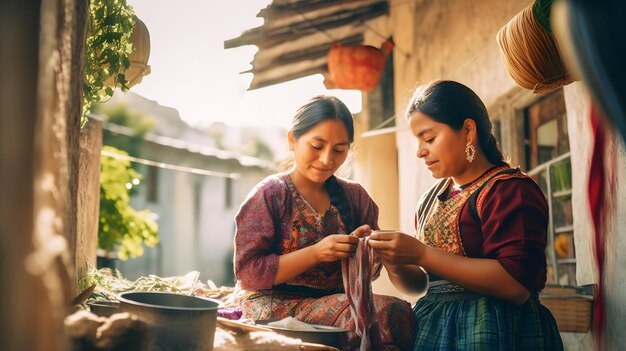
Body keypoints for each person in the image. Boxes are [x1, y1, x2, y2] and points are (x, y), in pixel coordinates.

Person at [367, 80, 564, 350]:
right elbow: (422, 287)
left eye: (430, 138)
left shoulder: (509, 190)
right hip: (434, 331)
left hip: (498, 330)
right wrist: (394, 259)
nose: (420, 151)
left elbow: (516, 285)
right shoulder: (431, 200)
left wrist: (422, 254)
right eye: (418, 141)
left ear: (468, 130)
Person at [233, 95, 416, 350]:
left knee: (396, 311)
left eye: (339, 150)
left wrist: (370, 248)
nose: (327, 159)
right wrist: (317, 253)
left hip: (339, 303)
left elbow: (378, 275)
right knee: (383, 313)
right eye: (317, 146)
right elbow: (248, 273)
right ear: (292, 141)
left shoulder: (356, 197)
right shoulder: (270, 194)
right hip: (274, 305)